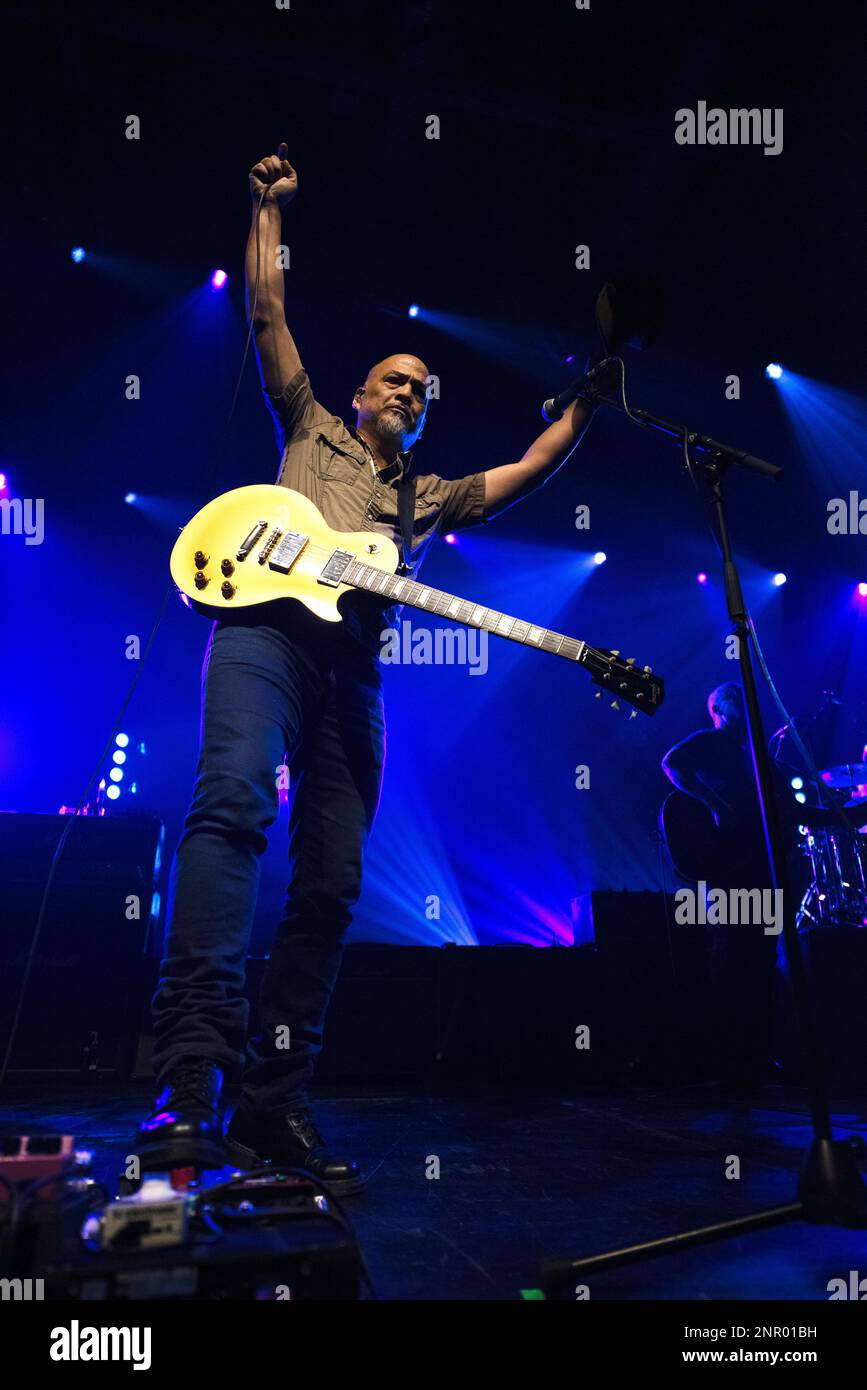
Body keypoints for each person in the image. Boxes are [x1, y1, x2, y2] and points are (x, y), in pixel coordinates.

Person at [136, 144, 599, 1189]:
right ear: (356, 394)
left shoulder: (423, 497)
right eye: (395, 378)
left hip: (353, 675)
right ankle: (189, 1081)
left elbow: (527, 469)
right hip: (261, 636)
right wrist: (267, 209)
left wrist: (589, 402)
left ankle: (273, 1103)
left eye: (425, 389)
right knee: (230, 814)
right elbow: (266, 312)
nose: (411, 390)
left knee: (333, 883)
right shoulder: (309, 428)